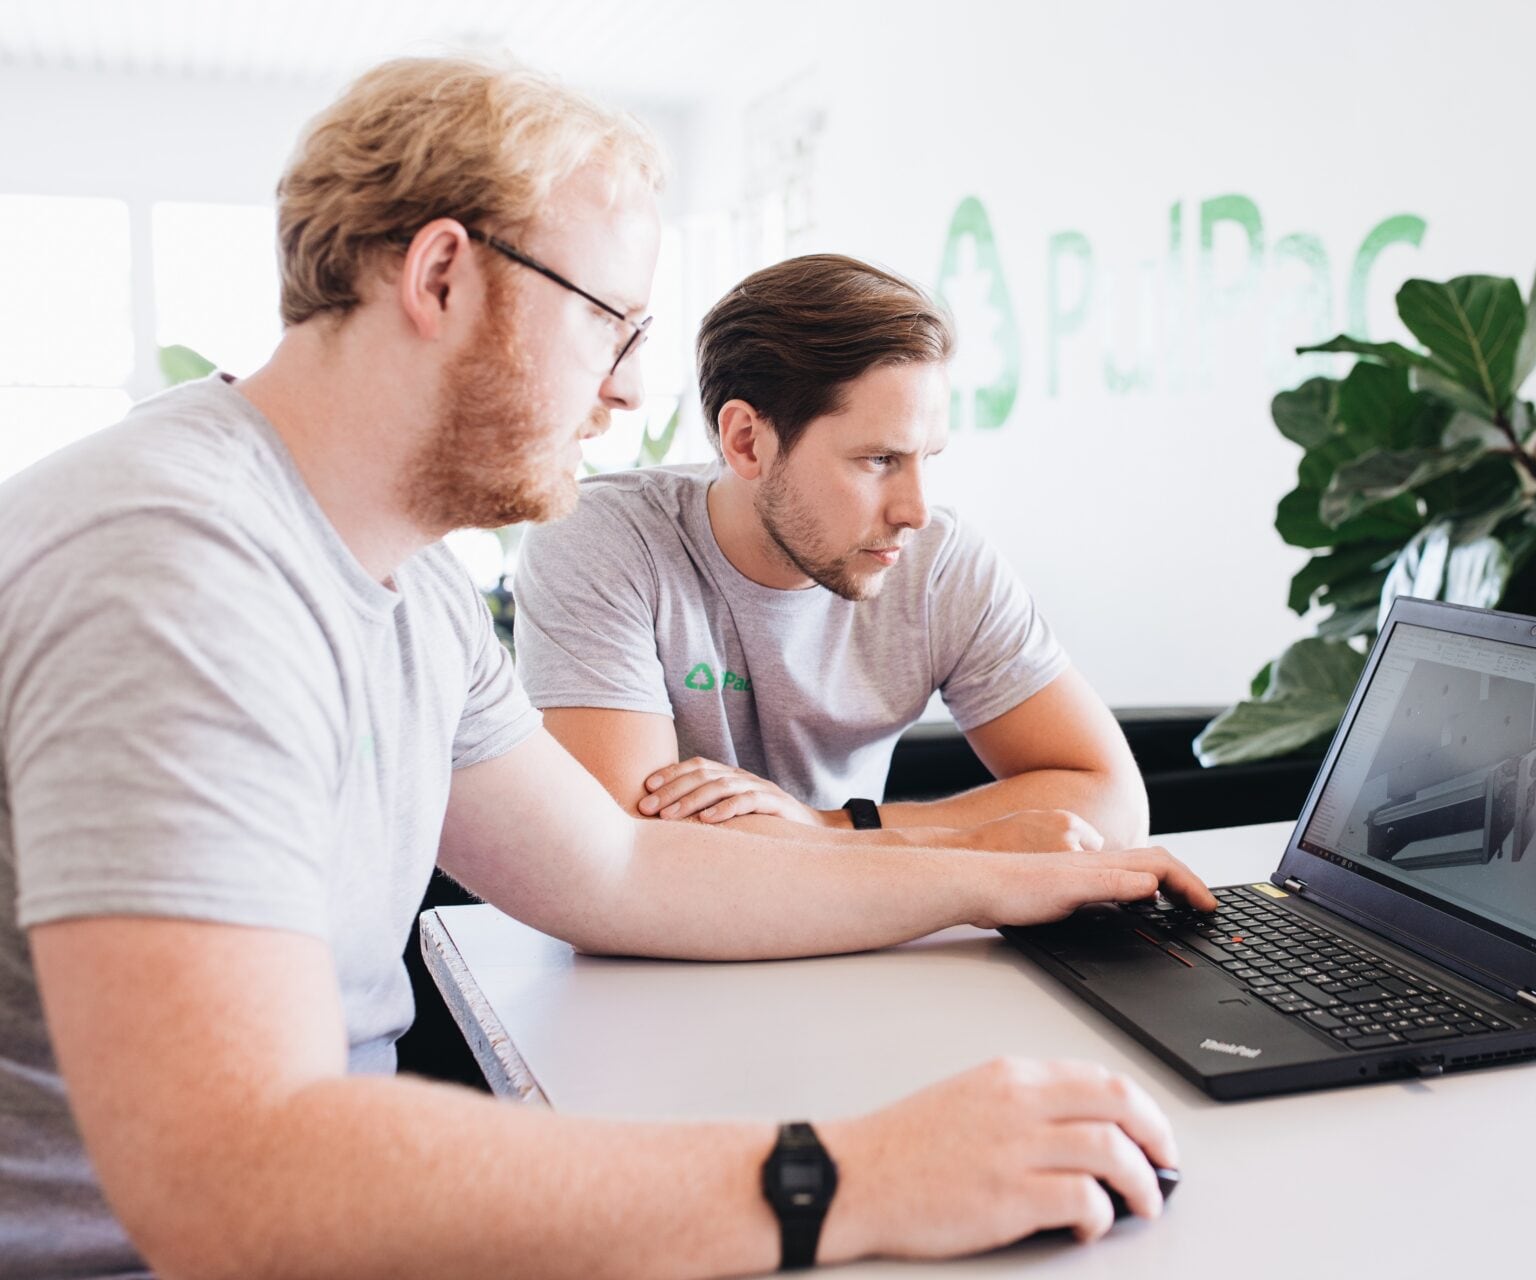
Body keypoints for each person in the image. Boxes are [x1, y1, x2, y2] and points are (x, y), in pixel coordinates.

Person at [0, 56, 1215, 1278]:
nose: (631, 387)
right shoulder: (175, 570)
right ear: (440, 276)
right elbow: (232, 1180)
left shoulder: (407, 584)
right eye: (608, 322)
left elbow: (616, 864)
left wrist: (990, 880)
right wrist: (850, 1173)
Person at [513, 253, 1150, 854]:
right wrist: (966, 843)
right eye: (879, 460)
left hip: (868, 937)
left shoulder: (939, 564)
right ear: (747, 441)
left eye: (926, 459)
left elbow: (1114, 804)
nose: (916, 512)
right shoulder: (603, 540)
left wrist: (833, 828)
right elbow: (629, 854)